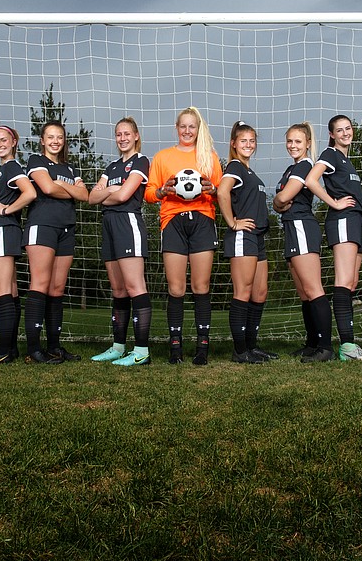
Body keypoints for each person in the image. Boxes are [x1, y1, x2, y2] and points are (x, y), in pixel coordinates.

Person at [145, 106, 222, 365]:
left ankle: (202, 348)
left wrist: (212, 190)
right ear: (176, 128)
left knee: (201, 286)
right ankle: (175, 348)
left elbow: (220, 193)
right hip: (173, 221)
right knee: (176, 288)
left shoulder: (209, 157)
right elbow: (149, 193)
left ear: (199, 129)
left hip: (202, 220)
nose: (187, 131)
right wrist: (163, 192)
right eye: (183, 126)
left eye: (193, 126)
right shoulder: (162, 157)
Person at [304, 114, 362, 362]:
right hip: (343, 220)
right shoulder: (330, 154)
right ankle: (347, 346)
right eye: (340, 130)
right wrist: (333, 202)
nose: (345, 133)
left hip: (356, 220)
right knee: (343, 282)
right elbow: (311, 180)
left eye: (348, 128)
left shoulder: (347, 159)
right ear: (332, 134)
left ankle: (348, 345)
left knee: (352, 282)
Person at [22, 120, 89, 364]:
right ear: (42, 140)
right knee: (40, 284)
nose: (55, 141)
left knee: (57, 288)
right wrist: (67, 187)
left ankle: (53, 347)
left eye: (59, 137)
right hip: (42, 227)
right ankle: (33, 349)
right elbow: (47, 188)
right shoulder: (35, 162)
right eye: (50, 137)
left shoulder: (70, 169)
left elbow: (86, 195)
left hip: (66, 228)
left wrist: (64, 184)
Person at [89, 117, 154, 367]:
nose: (123, 138)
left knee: (134, 286)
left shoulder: (141, 161)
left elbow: (127, 194)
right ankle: (118, 347)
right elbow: (92, 198)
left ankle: (141, 351)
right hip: (109, 224)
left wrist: (111, 191)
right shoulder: (112, 166)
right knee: (117, 290)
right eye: (118, 134)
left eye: (127, 133)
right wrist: (111, 192)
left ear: (136, 136)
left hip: (128, 224)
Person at [273, 122, 334, 363]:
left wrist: (279, 200)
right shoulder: (291, 168)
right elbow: (279, 202)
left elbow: (284, 197)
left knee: (313, 288)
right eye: (289, 141)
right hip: (290, 227)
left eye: (298, 141)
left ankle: (325, 347)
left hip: (302, 226)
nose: (293, 145)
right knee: (303, 292)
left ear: (308, 143)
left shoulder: (307, 165)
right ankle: (312, 344)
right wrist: (279, 202)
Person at [0, 125, 38, 364]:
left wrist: (7, 209)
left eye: (3, 140)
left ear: (14, 142)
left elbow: (30, 193)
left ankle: (2, 350)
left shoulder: (12, 167)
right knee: (9, 292)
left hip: (3, 231)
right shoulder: (0, 172)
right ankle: (9, 349)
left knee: (0, 291)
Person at [217, 121, 275, 363]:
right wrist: (233, 223)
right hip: (243, 236)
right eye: (243, 141)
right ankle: (240, 351)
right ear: (233, 144)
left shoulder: (249, 171)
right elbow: (222, 192)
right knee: (243, 291)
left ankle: (252, 346)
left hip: (258, 237)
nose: (248, 144)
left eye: (252, 141)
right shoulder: (234, 167)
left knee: (260, 292)